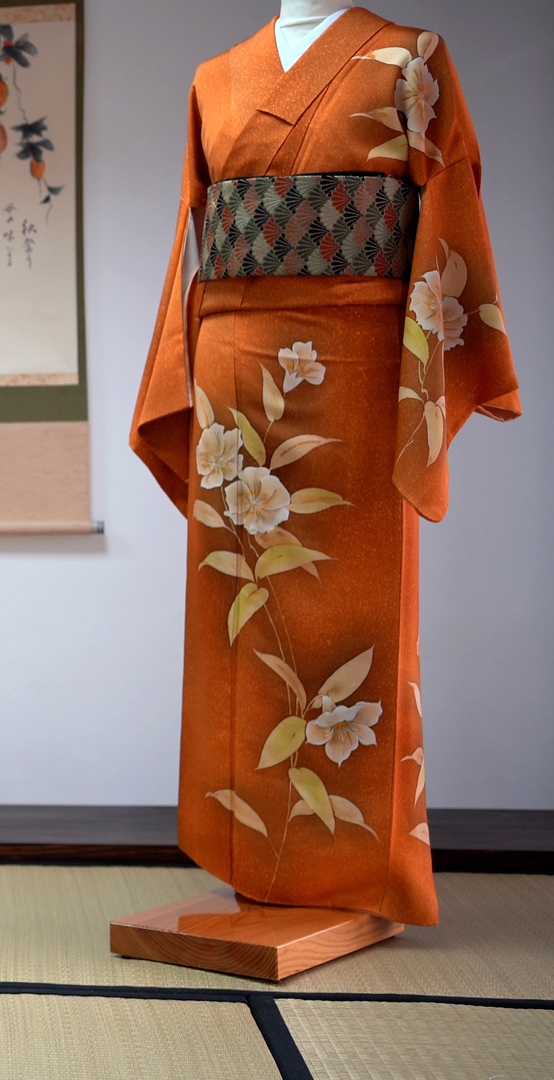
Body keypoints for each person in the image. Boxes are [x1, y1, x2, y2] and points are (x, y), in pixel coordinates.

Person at [131, 7, 518, 925]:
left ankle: (356, 876)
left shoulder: (411, 57)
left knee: (354, 615)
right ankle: (250, 862)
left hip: (356, 366)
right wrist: (180, 363)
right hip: (234, 367)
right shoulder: (214, 78)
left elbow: (448, 203)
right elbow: (196, 234)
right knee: (243, 615)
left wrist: (432, 373)